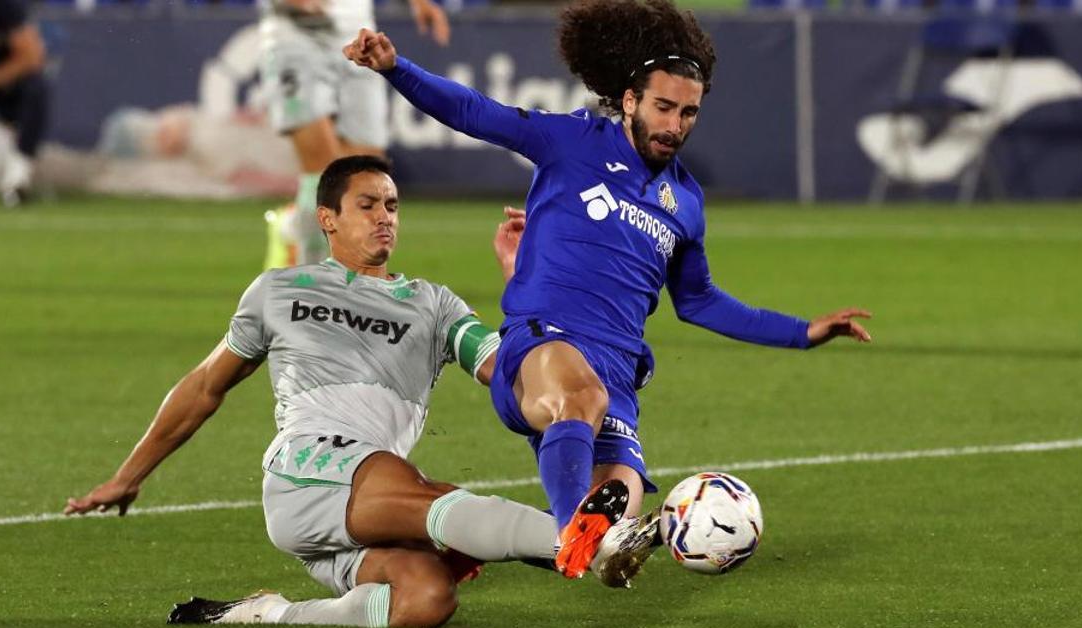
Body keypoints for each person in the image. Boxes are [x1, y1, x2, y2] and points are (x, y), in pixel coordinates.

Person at [342, 0, 874, 584]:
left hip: (618, 371)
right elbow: (474, 111)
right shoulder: (571, 140)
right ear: (629, 100)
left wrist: (803, 332)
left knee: (621, 502)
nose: (674, 125)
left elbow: (698, 301)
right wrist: (396, 68)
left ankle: (501, 539)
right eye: (664, 107)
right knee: (580, 405)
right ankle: (573, 530)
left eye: (689, 113)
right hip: (543, 342)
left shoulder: (686, 204)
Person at [64, 156, 631, 628]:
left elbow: (512, 370)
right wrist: (128, 475)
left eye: (392, 206)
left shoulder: (432, 305)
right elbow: (205, 386)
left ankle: (268, 613)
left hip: (359, 506)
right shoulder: (277, 290)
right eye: (368, 205)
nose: (385, 218)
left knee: (426, 597)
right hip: (307, 466)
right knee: (431, 497)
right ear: (327, 218)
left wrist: (522, 281)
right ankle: (587, 541)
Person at [258, 0, 451, 269]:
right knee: (322, 173)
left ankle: (293, 227)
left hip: (357, 35)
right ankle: (309, 292)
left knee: (365, 176)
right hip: (295, 36)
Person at [0, 0, 47, 206]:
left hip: (2, 88)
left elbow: (32, 57)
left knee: (36, 87)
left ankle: (18, 176)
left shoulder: (2, 6)